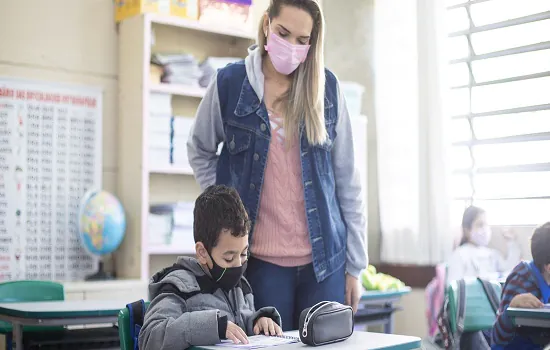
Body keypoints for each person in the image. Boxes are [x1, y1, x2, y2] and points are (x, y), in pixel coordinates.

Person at [187, 0, 367, 331]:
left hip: (324, 263)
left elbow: (348, 181)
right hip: (260, 263)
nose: (292, 47)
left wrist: (355, 266)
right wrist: (224, 206)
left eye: (303, 40)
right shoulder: (230, 84)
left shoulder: (326, 88)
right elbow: (199, 148)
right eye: (284, 33)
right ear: (267, 24)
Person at [139, 185, 282, 350]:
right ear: (202, 252)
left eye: (243, 254)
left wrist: (257, 322)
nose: (238, 265)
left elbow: (240, 326)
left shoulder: (241, 286)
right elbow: (150, 338)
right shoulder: (177, 287)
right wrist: (212, 326)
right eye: (228, 258)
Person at [492, 222, 550, 349]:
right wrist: (511, 309)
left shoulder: (546, 277)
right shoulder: (521, 281)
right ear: (549, 267)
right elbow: (497, 336)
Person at [446, 206, 520, 282]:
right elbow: (453, 287)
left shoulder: (493, 254)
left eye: (486, 224)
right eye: (480, 225)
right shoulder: (459, 255)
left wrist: (512, 243)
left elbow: (509, 272)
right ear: (467, 230)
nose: (485, 229)